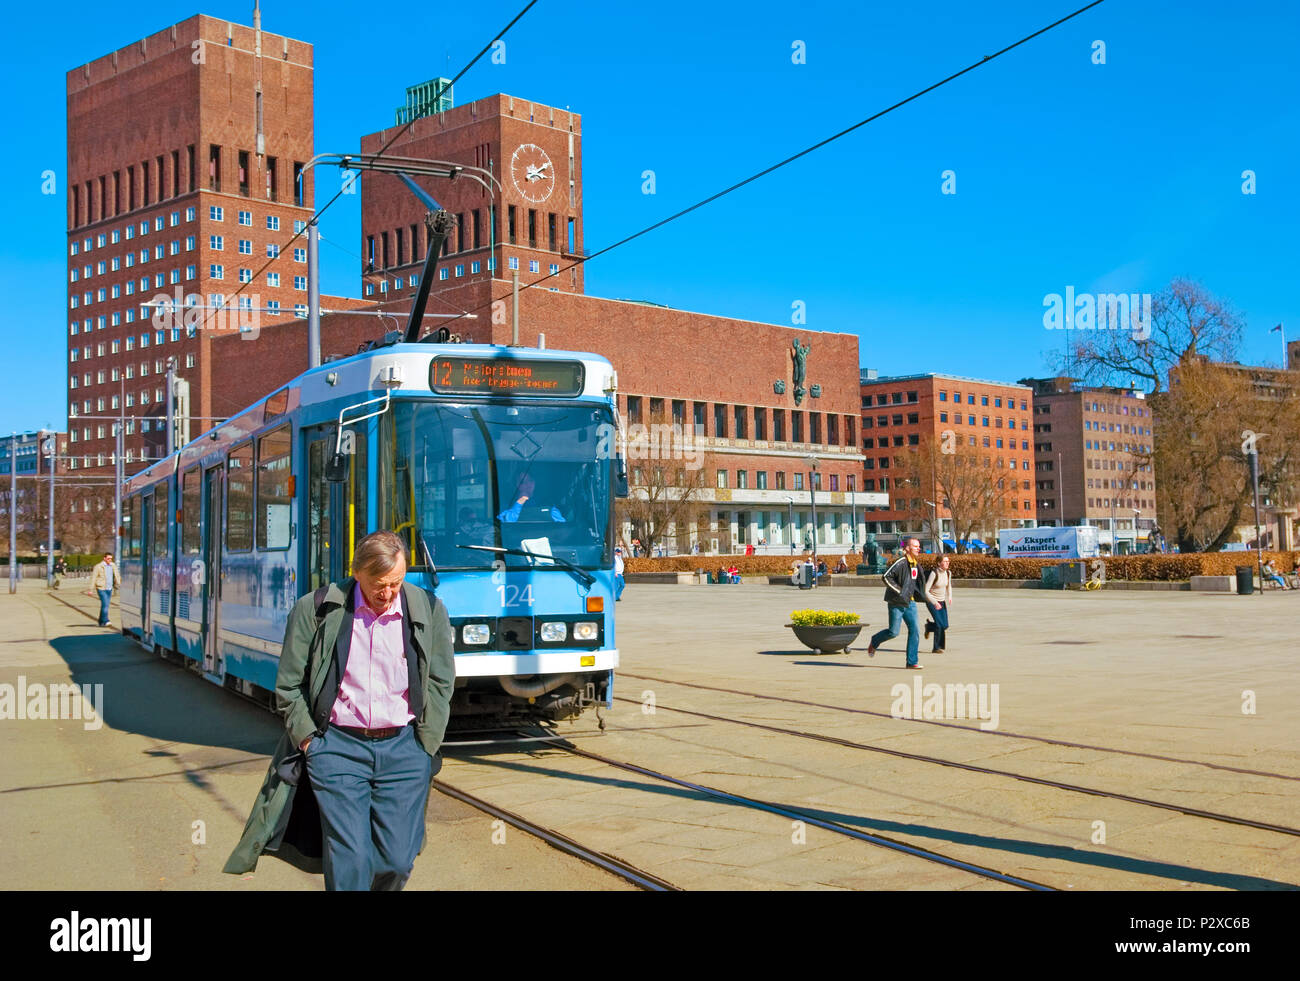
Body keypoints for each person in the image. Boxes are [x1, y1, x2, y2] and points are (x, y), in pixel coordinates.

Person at [224, 530, 456, 890]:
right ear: (357, 572)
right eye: (380, 584)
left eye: (396, 582)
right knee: (350, 856)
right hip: (338, 749)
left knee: (396, 859)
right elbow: (287, 685)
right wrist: (309, 743)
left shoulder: (428, 607)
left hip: (404, 749)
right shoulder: (315, 608)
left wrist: (426, 743)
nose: (388, 593)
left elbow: (441, 679)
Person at [866, 538, 926, 669]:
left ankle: (911, 662)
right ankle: (875, 641)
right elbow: (886, 576)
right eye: (915, 546)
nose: (918, 548)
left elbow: (916, 583)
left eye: (919, 546)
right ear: (908, 548)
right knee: (893, 632)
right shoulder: (901, 562)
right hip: (896, 603)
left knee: (915, 630)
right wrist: (900, 591)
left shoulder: (915, 564)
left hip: (910, 603)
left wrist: (924, 596)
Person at [497, 474, 564, 522]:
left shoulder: (546, 502)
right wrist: (519, 503)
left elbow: (561, 526)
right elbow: (507, 523)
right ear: (516, 485)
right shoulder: (507, 504)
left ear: (534, 482)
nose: (528, 484)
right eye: (523, 482)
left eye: (530, 480)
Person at [924, 554, 953, 652]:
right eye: (945, 561)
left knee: (945, 625)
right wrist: (934, 602)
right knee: (940, 624)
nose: (947, 563)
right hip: (931, 601)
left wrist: (950, 597)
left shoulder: (948, 573)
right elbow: (926, 591)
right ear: (939, 563)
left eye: (948, 561)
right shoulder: (934, 573)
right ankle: (937, 648)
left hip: (942, 601)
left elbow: (949, 586)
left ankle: (929, 627)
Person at [91, 553, 120, 627]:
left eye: (111, 559)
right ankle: (106, 620)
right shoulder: (98, 566)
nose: (110, 560)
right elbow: (93, 578)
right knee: (105, 605)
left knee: (105, 605)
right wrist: (91, 589)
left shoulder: (113, 565)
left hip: (109, 588)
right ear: (104, 558)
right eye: (108, 558)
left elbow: (117, 575)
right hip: (101, 588)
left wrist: (119, 583)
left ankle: (101, 621)